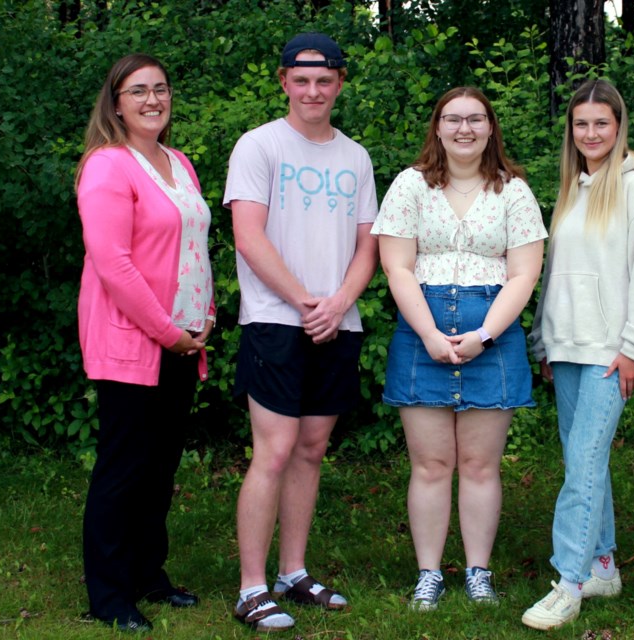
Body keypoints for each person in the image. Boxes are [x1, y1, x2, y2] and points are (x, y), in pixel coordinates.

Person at [223, 32, 378, 633]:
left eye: (325, 79)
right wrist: (305, 301)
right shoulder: (259, 146)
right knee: (276, 451)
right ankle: (252, 588)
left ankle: (293, 571)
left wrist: (338, 302)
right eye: (301, 79)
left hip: (338, 321)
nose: (313, 90)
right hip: (276, 321)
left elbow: (369, 242)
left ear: (339, 83)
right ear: (284, 81)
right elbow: (249, 236)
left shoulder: (355, 156)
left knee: (312, 450)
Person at [372, 87, 546, 611]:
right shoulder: (410, 186)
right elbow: (397, 266)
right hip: (421, 330)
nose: (464, 128)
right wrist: (428, 333)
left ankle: (478, 572)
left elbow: (524, 272)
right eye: (454, 119)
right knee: (429, 464)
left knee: (479, 465)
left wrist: (485, 335)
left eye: (475, 119)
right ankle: (429, 574)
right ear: (438, 126)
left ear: (491, 127)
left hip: (492, 334)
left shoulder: (513, 190)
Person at [521, 79, 634, 631]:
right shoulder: (572, 188)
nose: (591, 134)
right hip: (566, 348)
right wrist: (545, 341)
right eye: (581, 124)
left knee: (582, 467)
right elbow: (554, 276)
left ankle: (569, 582)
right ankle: (604, 564)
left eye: (601, 124)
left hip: (612, 354)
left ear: (619, 126)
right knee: (582, 462)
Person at [75, 53, 214, 632]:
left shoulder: (177, 161)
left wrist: (204, 319)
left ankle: (147, 575)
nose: (152, 100)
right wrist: (168, 332)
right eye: (138, 91)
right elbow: (113, 263)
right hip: (136, 341)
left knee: (159, 468)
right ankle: (108, 595)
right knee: (123, 469)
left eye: (160, 89)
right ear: (116, 103)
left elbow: (194, 247)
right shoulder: (108, 165)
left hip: (182, 340)